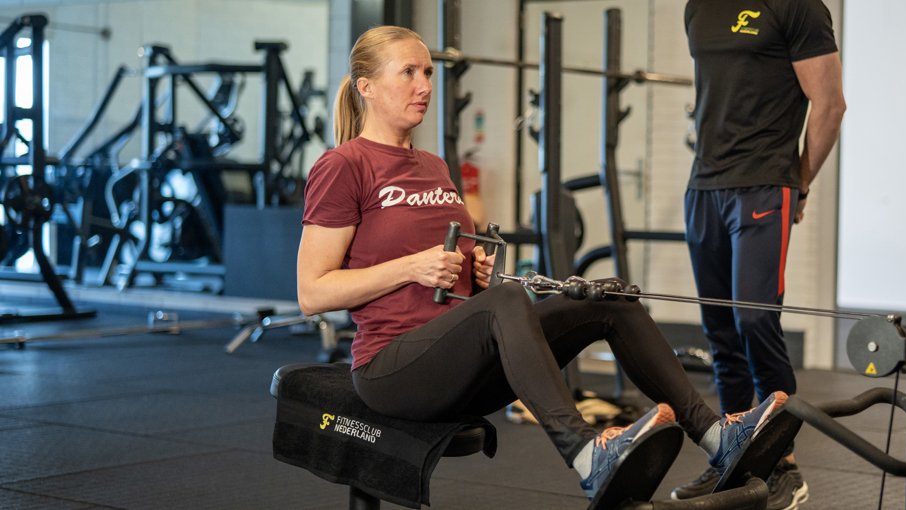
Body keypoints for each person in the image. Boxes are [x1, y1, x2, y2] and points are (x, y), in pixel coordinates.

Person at [296, 26, 790, 501]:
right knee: (508, 301)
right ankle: (588, 456)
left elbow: (450, 280)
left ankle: (715, 438)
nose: (425, 85)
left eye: (427, 72)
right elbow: (312, 293)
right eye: (408, 72)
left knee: (610, 299)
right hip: (392, 371)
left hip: (461, 364)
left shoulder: (434, 165)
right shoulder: (343, 166)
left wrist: (475, 276)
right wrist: (411, 267)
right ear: (366, 86)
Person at [673, 1, 845, 508]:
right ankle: (731, 458)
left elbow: (830, 104)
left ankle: (781, 464)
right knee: (720, 331)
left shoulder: (796, 6)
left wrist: (800, 183)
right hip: (704, 185)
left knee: (755, 319)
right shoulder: (698, 7)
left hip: (766, 182)